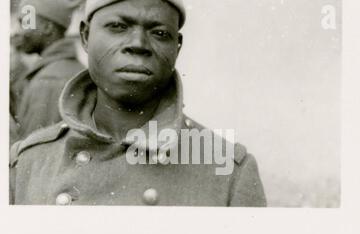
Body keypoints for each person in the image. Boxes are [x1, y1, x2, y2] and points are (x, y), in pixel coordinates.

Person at [10, 0, 267, 207]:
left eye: (159, 33)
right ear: (86, 36)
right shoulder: (27, 164)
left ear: (177, 47)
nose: (138, 44)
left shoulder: (228, 171)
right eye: (118, 27)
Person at [13, 0, 84, 139]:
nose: (17, 31)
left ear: (47, 27)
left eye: (25, 22)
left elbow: (32, 154)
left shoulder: (48, 81)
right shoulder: (74, 69)